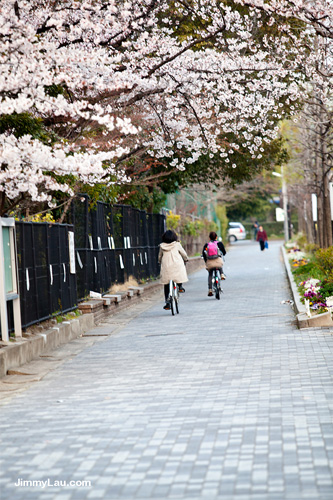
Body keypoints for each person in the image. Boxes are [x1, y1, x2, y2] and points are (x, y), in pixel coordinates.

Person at [158, 230, 189, 310]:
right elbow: (184, 254)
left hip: (166, 267)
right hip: (177, 265)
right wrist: (186, 259)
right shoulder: (177, 245)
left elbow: (159, 257)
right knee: (179, 274)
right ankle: (180, 286)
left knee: (166, 284)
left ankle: (167, 302)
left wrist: (159, 261)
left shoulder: (162, 246)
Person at [202, 231, 226, 297]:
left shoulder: (207, 245)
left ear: (209, 238)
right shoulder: (219, 244)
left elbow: (204, 254)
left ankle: (210, 289)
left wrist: (206, 261)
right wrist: (221, 254)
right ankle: (222, 274)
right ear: (216, 237)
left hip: (210, 262)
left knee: (210, 274)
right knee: (219, 264)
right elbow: (224, 252)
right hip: (217, 261)